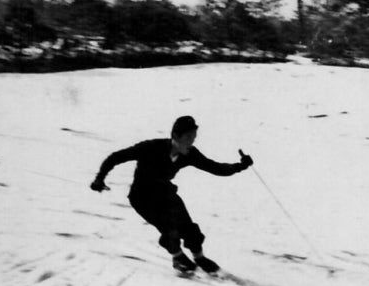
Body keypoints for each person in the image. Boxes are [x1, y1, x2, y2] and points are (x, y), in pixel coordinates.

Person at [90, 115, 253, 274]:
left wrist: (240, 166)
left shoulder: (189, 153)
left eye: (194, 137)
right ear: (175, 136)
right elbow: (115, 157)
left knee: (189, 228)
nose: (191, 142)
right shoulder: (151, 147)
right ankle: (178, 257)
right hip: (142, 197)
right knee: (170, 230)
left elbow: (215, 167)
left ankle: (200, 258)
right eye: (188, 137)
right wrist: (99, 179)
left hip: (165, 193)